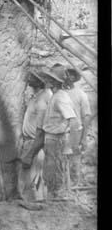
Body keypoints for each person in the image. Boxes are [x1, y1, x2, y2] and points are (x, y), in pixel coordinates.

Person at [41, 63, 77, 199]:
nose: (48, 81)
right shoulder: (55, 96)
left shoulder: (61, 97)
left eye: (51, 78)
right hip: (51, 138)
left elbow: (73, 120)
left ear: (57, 81)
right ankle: (53, 197)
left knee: (56, 169)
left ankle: (59, 198)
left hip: (57, 139)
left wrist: (68, 145)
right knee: (50, 170)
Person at [18, 70, 52, 201]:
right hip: (29, 141)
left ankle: (34, 206)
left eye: (33, 78)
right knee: (28, 177)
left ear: (40, 82)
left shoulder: (43, 100)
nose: (29, 79)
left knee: (32, 178)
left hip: (35, 143)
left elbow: (41, 131)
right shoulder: (36, 96)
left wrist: (30, 153)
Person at [66, 67, 92, 186]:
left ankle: (75, 187)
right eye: (66, 75)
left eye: (70, 75)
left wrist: (84, 138)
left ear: (74, 78)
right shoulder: (59, 93)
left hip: (75, 132)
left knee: (74, 161)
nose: (67, 77)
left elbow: (86, 116)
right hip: (60, 132)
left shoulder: (81, 94)